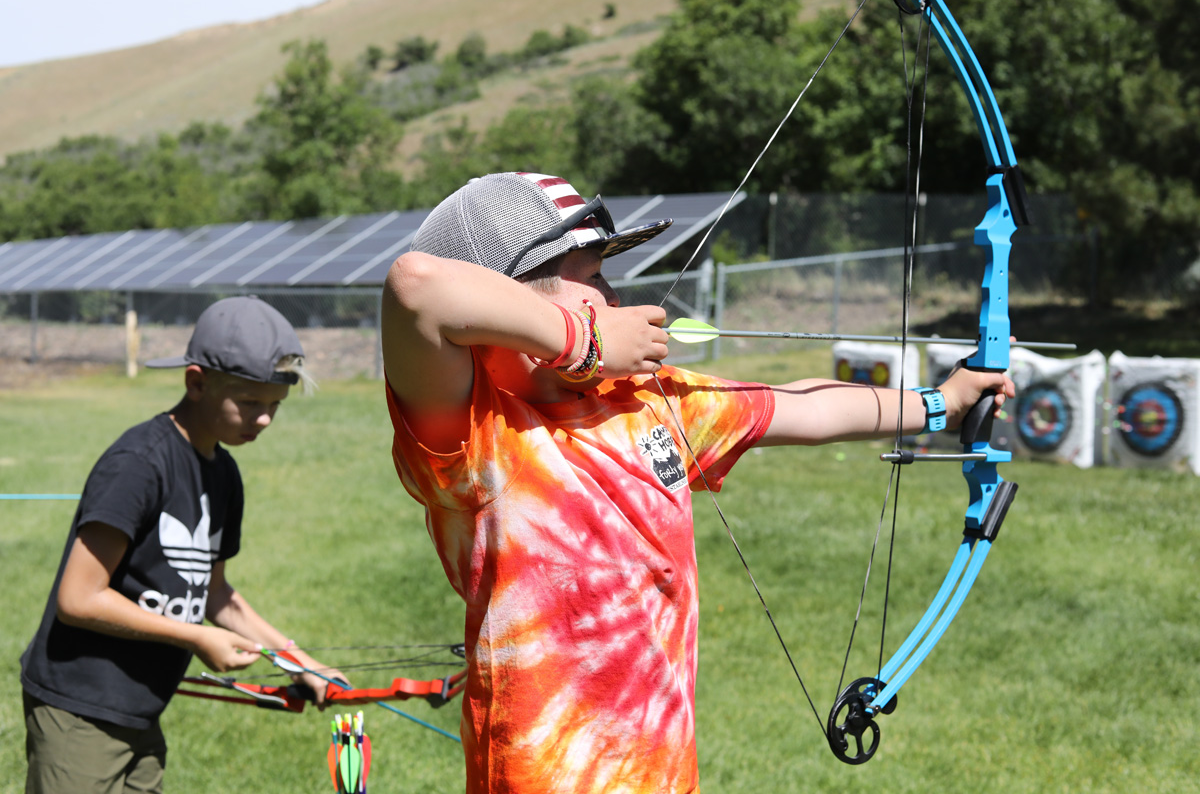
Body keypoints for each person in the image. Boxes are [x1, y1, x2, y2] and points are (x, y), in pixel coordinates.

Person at [380, 172, 1015, 793]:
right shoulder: (476, 439)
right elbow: (417, 288)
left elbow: (806, 407)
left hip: (663, 773)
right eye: (592, 278)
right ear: (509, 303)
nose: (615, 296)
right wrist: (587, 341)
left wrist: (941, 403)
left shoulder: (645, 401)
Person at [21, 296, 345, 794]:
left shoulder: (224, 474)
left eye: (275, 405)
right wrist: (195, 638)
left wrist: (296, 659)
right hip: (79, 707)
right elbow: (79, 598)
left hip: (142, 706)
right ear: (196, 383)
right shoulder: (138, 464)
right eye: (250, 403)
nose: (264, 420)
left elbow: (215, 592)